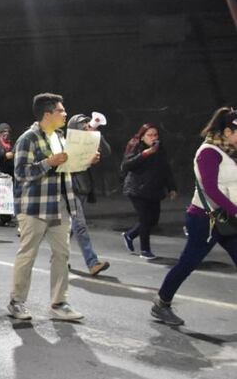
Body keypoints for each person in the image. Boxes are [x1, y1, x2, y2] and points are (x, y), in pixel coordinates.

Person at [7, 93, 98, 322]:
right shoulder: (27, 139)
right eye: (61, 110)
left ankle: (59, 303)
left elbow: (66, 166)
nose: (65, 114)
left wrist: (86, 161)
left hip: (60, 205)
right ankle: (16, 302)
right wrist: (49, 162)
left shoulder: (59, 136)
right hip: (34, 208)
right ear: (47, 114)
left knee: (62, 254)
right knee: (27, 255)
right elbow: (20, 173)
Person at [151, 107, 237, 326]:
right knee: (188, 263)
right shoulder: (209, 152)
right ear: (227, 132)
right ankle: (161, 304)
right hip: (205, 220)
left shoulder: (228, 152)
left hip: (226, 219)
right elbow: (210, 188)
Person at [121, 123, 177, 259]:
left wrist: (172, 188)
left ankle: (130, 234)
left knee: (153, 220)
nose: (153, 138)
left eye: (155, 135)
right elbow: (126, 165)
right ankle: (145, 250)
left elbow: (166, 169)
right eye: (149, 135)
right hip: (137, 189)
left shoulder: (160, 149)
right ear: (142, 137)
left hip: (154, 189)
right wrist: (144, 154)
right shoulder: (136, 146)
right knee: (145, 219)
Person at [66, 114, 111, 275]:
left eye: (88, 123)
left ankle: (58, 258)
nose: (87, 126)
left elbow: (106, 152)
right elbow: (69, 166)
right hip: (70, 188)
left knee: (71, 227)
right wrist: (87, 161)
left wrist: (96, 133)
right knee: (80, 225)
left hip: (83, 187)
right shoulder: (67, 144)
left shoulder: (89, 140)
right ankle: (92, 263)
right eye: (83, 124)